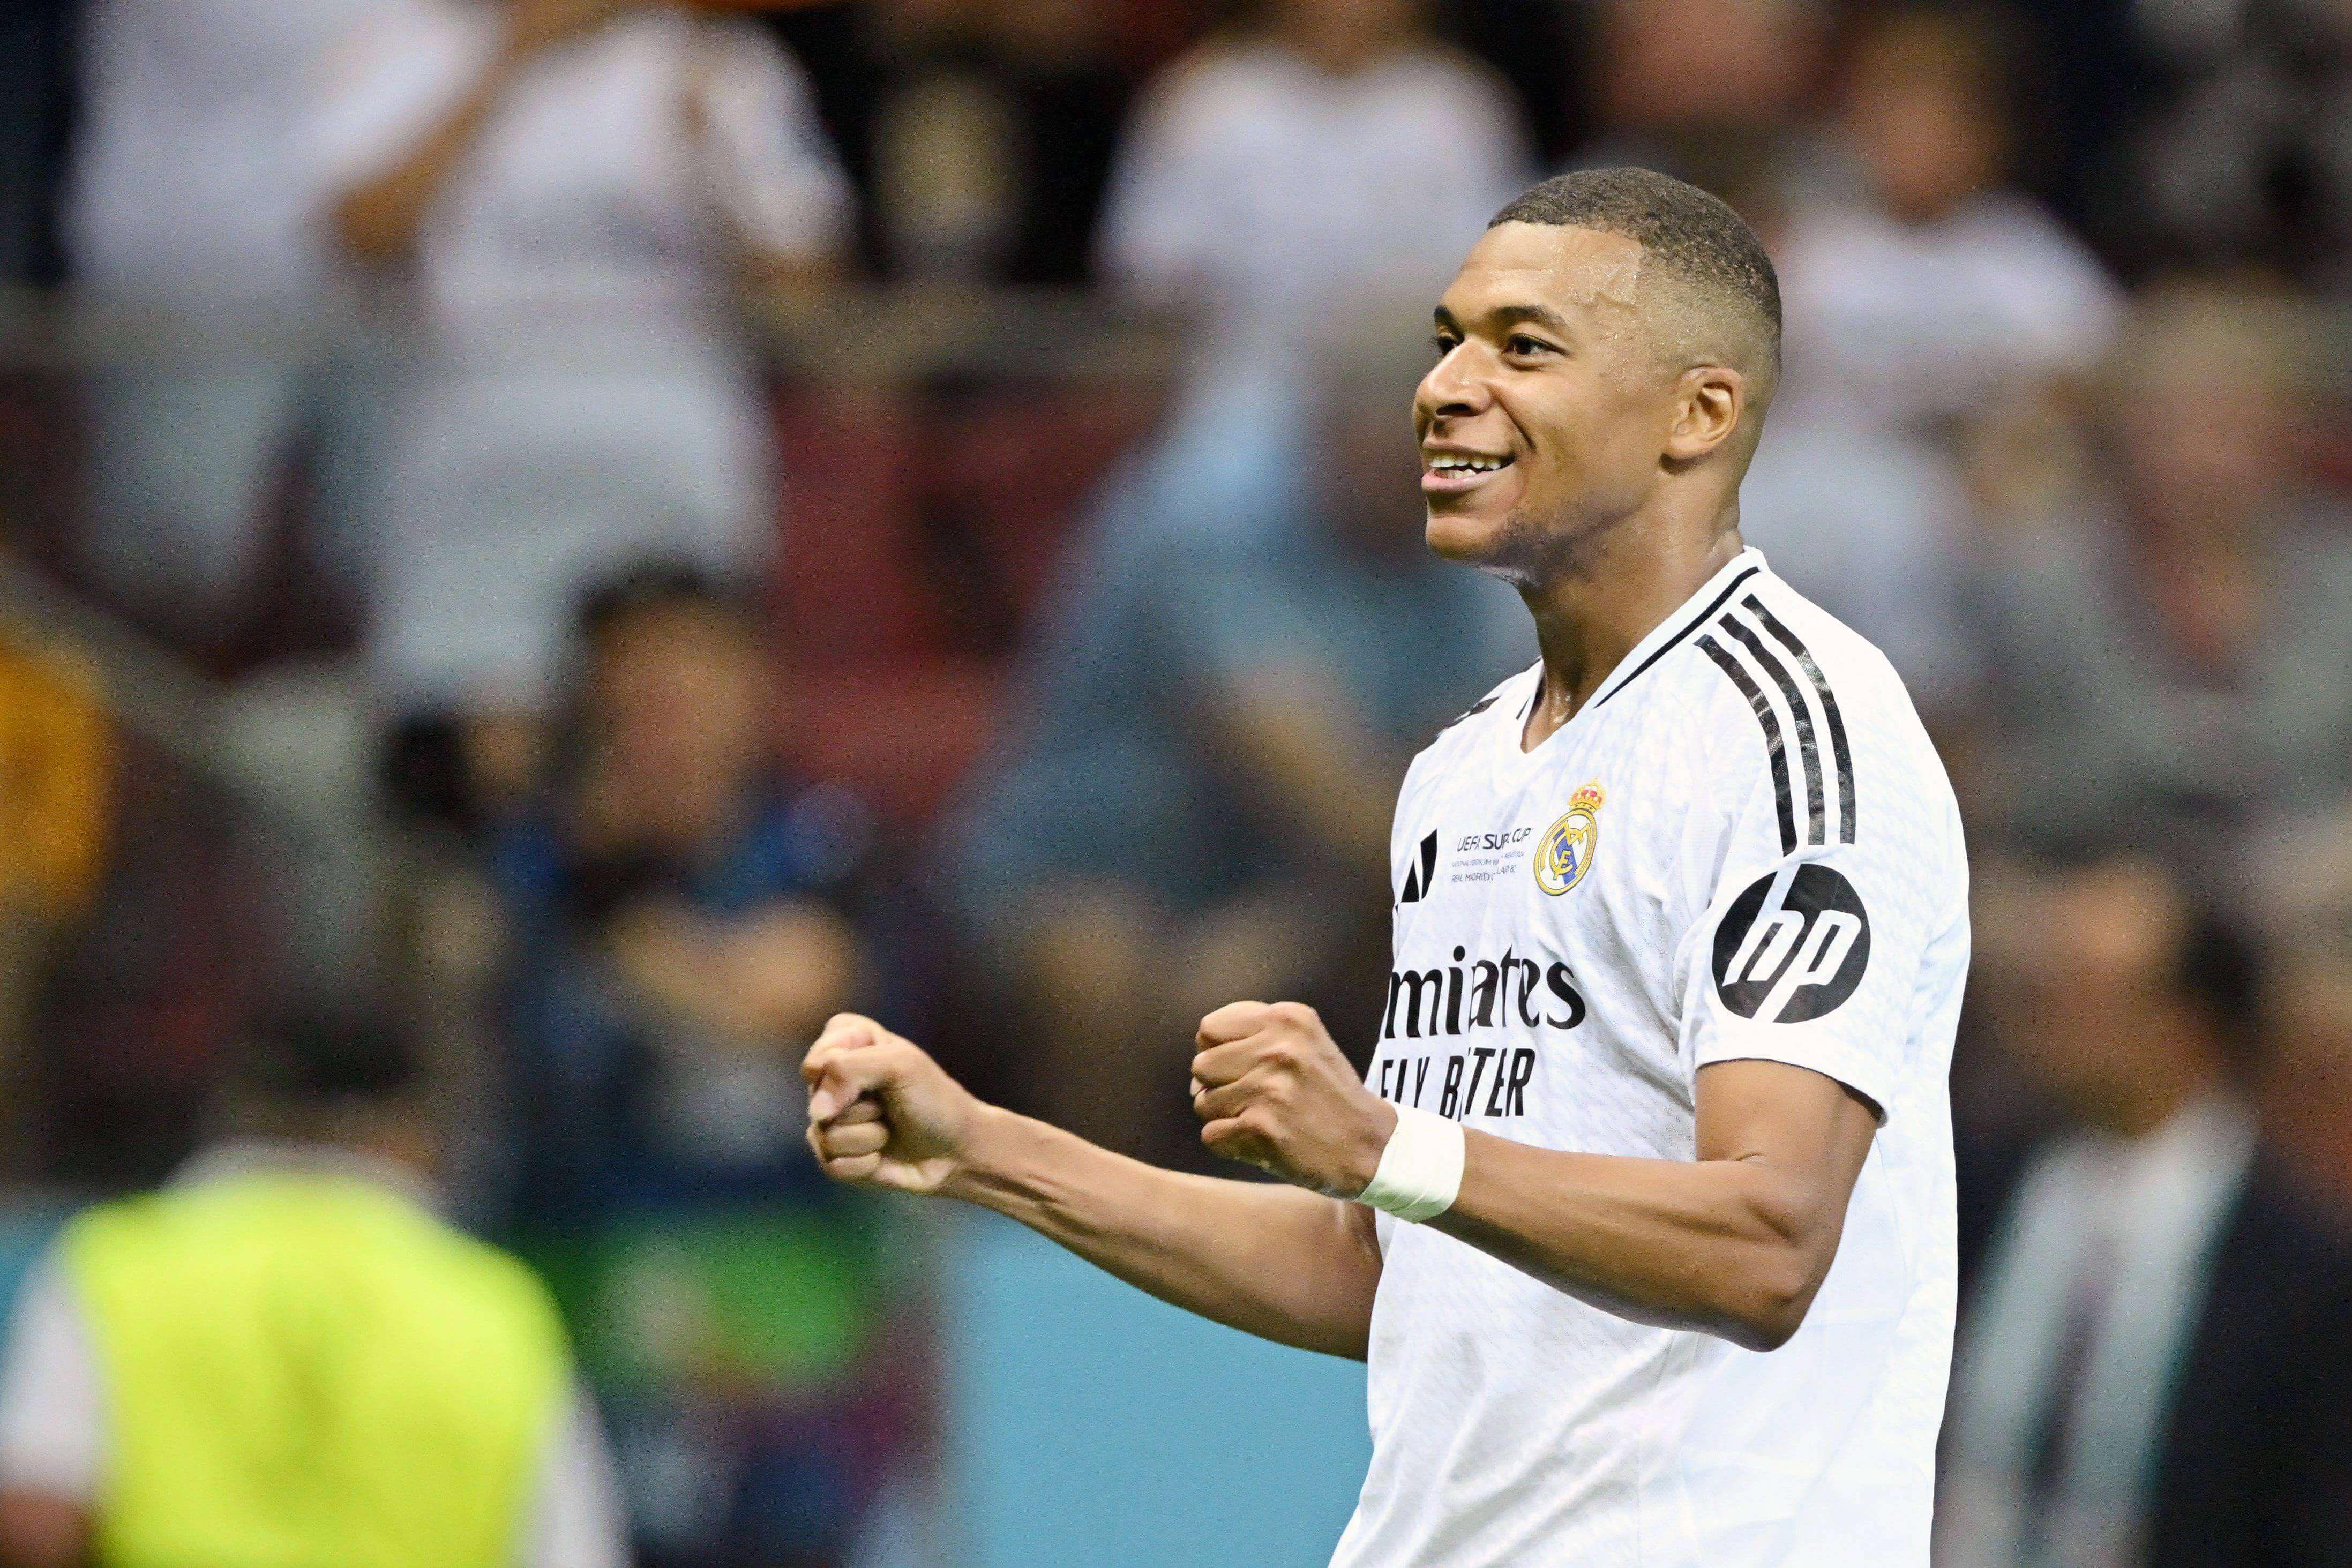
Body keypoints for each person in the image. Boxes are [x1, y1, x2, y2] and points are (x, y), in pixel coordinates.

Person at [806, 168, 1969, 1567]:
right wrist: (987, 1147)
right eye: (1446, 340)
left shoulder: (1795, 728)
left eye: (1521, 346)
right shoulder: (1462, 770)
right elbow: (1383, 1265)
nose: (1443, 388)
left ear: (1696, 412)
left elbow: (1767, 1235)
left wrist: (1381, 1144)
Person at [953, 325, 1525, 1160]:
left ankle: (1391, 1252)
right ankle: (1122, 1263)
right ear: (1335, 426)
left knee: (1477, 935)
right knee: (1098, 973)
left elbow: (1469, 778)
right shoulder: (1208, 509)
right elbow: (1319, 790)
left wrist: (1295, 926)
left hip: (1298, 890)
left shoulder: (1467, 524)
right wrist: (1315, 914)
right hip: (1079, 874)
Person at [310, 0, 851, 814]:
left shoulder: (718, 64)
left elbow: (806, 306)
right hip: (477, 488)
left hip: (664, 487)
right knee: (484, 773)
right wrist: (503, 66)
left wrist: (718, 163)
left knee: (664, 757)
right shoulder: (403, 44)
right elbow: (357, 233)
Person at [474, 561, 898, 1566]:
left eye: (690, 674)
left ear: (755, 693)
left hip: (791, 1336)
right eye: (634, 679)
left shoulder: (819, 844)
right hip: (575, 1318)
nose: (661, 707)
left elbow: (790, 993)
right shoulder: (521, 868)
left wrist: (615, 925)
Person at [0, 999, 628, 1568]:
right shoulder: (497, 1309)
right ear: (415, 1130)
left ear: (234, 1109)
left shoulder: (117, 1265)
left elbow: (38, 1521)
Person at [1944, 851, 2352, 1568]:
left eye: (2090, 991)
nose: (2054, 1018)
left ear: (2186, 1021)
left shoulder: (2298, 1269)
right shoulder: (1977, 1186)